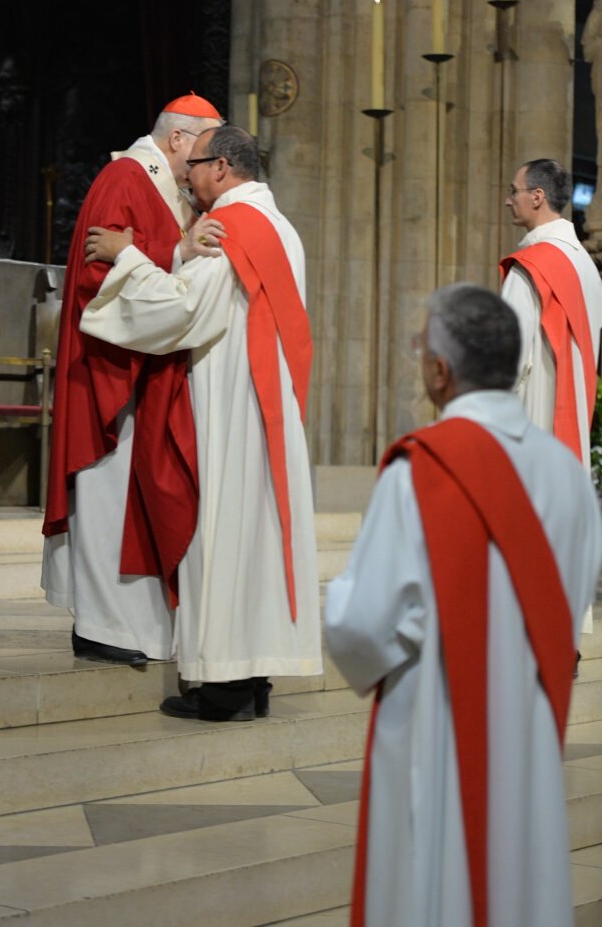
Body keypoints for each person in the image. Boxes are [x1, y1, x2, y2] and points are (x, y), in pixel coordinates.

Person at [325, 284, 602, 927]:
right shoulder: (567, 474)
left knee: (440, 882)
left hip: (440, 729)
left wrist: (338, 595)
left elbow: (363, 625)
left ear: (440, 371)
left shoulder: (423, 470)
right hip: (531, 732)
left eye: (422, 347)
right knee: (520, 881)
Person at [81, 125, 323, 720]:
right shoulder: (282, 228)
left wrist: (125, 256)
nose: (184, 177)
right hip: (267, 402)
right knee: (258, 539)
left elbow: (183, 309)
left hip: (230, 399)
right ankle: (255, 678)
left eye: (191, 166)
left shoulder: (232, 228)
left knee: (227, 534)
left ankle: (225, 689)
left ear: (220, 168)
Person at [42, 92, 224, 667]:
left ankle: (129, 626)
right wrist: (175, 249)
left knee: (131, 499)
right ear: (177, 140)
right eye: (206, 146)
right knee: (105, 494)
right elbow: (98, 278)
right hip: (110, 374)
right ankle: (99, 626)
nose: (210, 161)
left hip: (148, 369)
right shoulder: (124, 179)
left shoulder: (171, 190)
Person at [500, 158, 602, 469]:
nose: (507, 200)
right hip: (574, 423)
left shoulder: (532, 268)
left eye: (513, 191)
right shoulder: (586, 265)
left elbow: (508, 358)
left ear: (537, 196)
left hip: (533, 424)